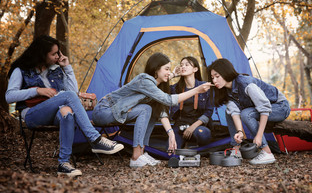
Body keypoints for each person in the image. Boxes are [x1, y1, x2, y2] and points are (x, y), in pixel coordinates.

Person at [6, 35, 124, 177]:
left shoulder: (55, 70)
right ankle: (95, 139)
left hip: (54, 112)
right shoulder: (22, 70)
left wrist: (67, 68)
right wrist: (37, 90)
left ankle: (64, 164)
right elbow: (9, 96)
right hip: (32, 114)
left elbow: (73, 93)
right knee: (67, 97)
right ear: (42, 55)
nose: (57, 56)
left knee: (67, 112)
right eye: (54, 54)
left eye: (58, 53)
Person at [91, 52, 212, 168]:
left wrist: (170, 132)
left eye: (170, 69)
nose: (169, 72)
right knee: (145, 108)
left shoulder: (154, 87)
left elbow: (161, 110)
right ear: (156, 69)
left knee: (152, 110)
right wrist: (196, 90)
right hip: (105, 111)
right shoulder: (144, 80)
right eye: (166, 69)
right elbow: (169, 100)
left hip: (119, 113)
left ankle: (142, 152)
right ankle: (136, 156)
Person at [207, 58, 290, 164]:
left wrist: (259, 135)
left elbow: (264, 108)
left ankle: (267, 152)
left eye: (217, 76)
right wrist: (240, 132)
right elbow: (234, 112)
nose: (214, 81)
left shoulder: (246, 84)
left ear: (226, 72)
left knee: (246, 114)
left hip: (279, 107)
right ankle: (236, 150)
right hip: (259, 109)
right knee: (228, 112)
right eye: (212, 77)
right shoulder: (225, 90)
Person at [169, 56, 213, 149]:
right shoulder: (175, 88)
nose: (183, 67)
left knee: (203, 134)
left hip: (198, 125)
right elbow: (155, 89)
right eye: (181, 65)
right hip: (180, 125)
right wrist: (172, 75)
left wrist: (192, 127)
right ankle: (184, 143)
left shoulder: (204, 87)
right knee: (170, 151)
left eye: (186, 65)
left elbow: (209, 111)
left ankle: (194, 145)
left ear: (195, 69)